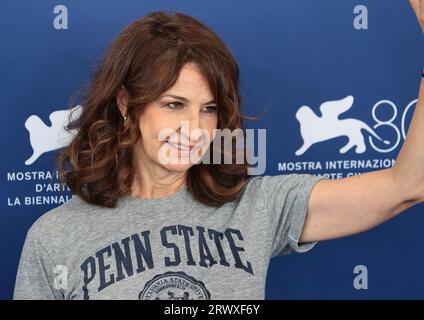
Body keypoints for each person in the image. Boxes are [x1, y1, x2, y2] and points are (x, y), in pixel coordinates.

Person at [14, 4, 424, 300]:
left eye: (208, 109)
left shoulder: (257, 206)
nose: (193, 129)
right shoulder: (54, 238)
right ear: (126, 104)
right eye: (173, 104)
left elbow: (407, 185)